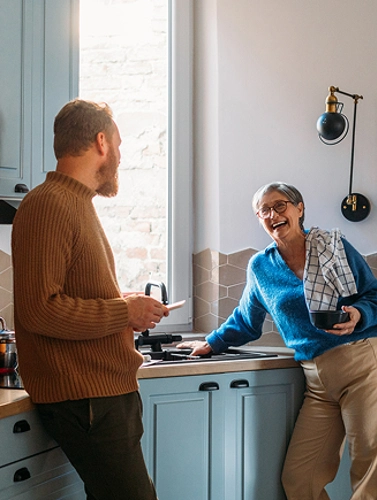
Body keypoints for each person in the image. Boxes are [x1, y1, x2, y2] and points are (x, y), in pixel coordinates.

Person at [11, 99, 169, 500]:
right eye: (118, 143)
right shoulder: (49, 203)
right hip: (87, 399)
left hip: (100, 395)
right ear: (101, 141)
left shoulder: (75, 203)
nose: (120, 154)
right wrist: (124, 310)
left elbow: (69, 296)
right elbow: (40, 310)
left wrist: (125, 304)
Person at [180, 182, 377, 499]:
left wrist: (359, 314)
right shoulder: (261, 266)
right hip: (316, 379)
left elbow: (373, 295)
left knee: (370, 471)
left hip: (362, 363)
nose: (273, 214)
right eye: (264, 210)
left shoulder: (333, 247)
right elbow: (246, 320)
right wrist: (210, 343)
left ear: (299, 209)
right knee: (300, 479)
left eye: (280, 205)